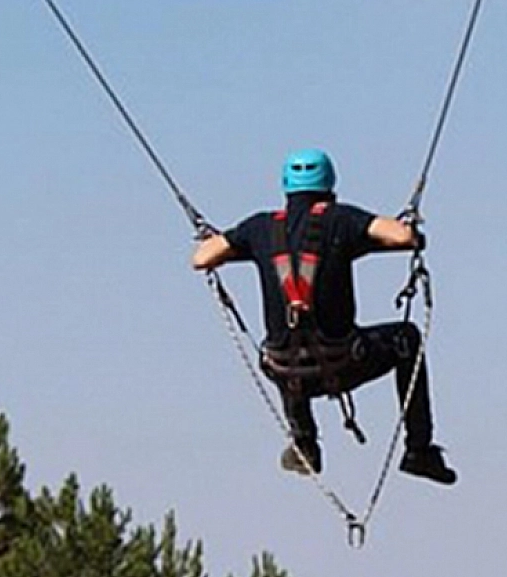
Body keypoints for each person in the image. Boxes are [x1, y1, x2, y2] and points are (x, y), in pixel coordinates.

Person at [192, 149, 457, 485]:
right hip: (345, 359)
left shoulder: (260, 228)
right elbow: (403, 237)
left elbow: (201, 258)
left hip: (289, 371)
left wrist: (230, 244)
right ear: (330, 185)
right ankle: (419, 450)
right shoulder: (341, 220)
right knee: (407, 338)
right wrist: (404, 231)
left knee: (281, 353)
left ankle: (305, 443)